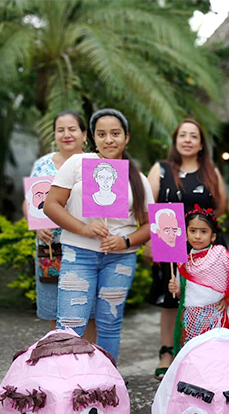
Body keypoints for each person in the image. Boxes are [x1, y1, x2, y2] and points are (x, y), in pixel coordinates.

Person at [43, 108, 153, 361]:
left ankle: (106, 382)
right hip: (78, 255)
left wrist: (124, 240)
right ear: (93, 137)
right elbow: (51, 205)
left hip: (120, 259)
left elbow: (149, 226)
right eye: (101, 134)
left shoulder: (138, 178)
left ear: (127, 137)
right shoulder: (77, 164)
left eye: (115, 133)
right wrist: (83, 228)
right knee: (70, 325)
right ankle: (66, 382)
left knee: (109, 324)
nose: (109, 140)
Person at [147, 119, 227, 379]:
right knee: (170, 299)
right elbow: (148, 207)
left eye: (194, 135)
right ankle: (167, 352)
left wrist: (199, 231)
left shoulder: (210, 172)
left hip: (204, 245)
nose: (188, 140)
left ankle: (202, 348)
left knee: (204, 298)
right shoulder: (160, 169)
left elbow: (221, 207)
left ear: (201, 143)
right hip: (168, 241)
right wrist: (150, 239)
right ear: (175, 140)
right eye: (183, 135)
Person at [25, 110, 96, 342]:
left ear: (84, 134)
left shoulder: (95, 163)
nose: (67, 134)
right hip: (51, 249)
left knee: (90, 310)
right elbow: (29, 203)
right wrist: (36, 227)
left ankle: (91, 363)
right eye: (60, 130)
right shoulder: (43, 165)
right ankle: (60, 362)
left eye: (72, 129)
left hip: (86, 247)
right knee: (54, 310)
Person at [168, 205, 229, 350]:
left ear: (213, 236)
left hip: (214, 315)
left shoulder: (219, 254)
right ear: (185, 234)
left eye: (203, 231)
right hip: (190, 316)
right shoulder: (182, 260)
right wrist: (176, 289)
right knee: (194, 352)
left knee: (215, 352)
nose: (197, 236)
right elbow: (181, 294)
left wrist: (228, 297)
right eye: (192, 231)